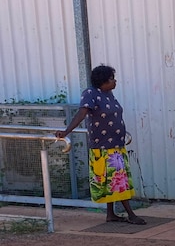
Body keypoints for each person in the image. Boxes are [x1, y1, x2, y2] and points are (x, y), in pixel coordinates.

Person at [54, 65, 146, 225]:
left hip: (116, 145)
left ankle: (111, 214)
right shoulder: (90, 94)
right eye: (111, 78)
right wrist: (66, 131)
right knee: (118, 180)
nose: (115, 81)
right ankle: (131, 214)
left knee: (111, 180)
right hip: (103, 148)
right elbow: (82, 113)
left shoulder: (108, 94)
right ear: (103, 81)